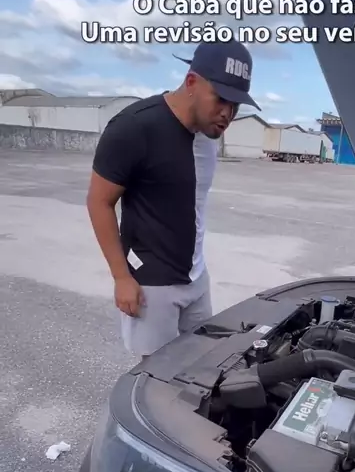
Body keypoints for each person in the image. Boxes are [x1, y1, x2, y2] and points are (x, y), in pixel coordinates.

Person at [86, 38, 260, 358]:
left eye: (236, 104)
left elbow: (193, 205)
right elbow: (99, 202)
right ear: (191, 82)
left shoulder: (209, 136)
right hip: (153, 285)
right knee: (156, 375)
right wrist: (121, 277)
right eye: (221, 99)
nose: (228, 113)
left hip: (196, 277)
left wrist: (198, 270)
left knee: (207, 363)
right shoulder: (134, 127)